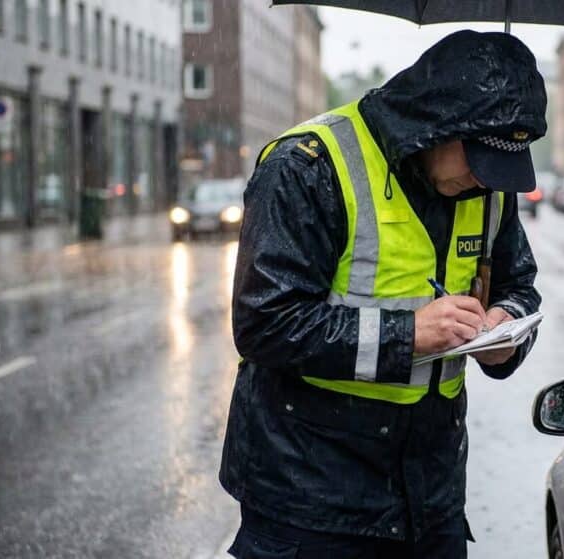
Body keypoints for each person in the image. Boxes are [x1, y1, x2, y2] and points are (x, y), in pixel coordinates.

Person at [218, 30, 545, 559]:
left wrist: (506, 330)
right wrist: (409, 335)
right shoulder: (307, 166)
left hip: (430, 499)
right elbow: (263, 324)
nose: (485, 184)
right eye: (478, 162)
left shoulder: (487, 191)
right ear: (438, 125)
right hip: (312, 499)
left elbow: (519, 286)